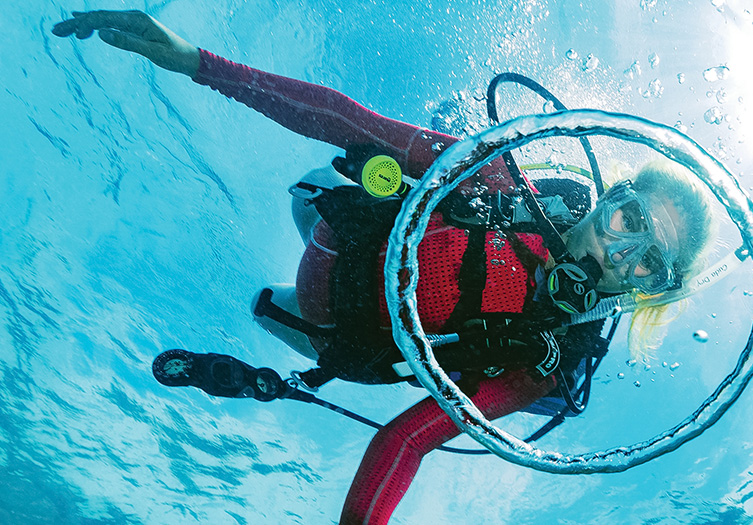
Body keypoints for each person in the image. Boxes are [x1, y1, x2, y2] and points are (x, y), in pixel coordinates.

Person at [53, 10, 716, 524]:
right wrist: (196, 60)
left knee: (264, 304)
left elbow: (408, 440)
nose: (618, 250)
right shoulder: (498, 177)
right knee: (321, 184)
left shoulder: (542, 358)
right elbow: (350, 121)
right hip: (342, 239)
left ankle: (278, 363)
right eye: (629, 219)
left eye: (647, 262)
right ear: (610, 197)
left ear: (648, 292)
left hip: (344, 340)